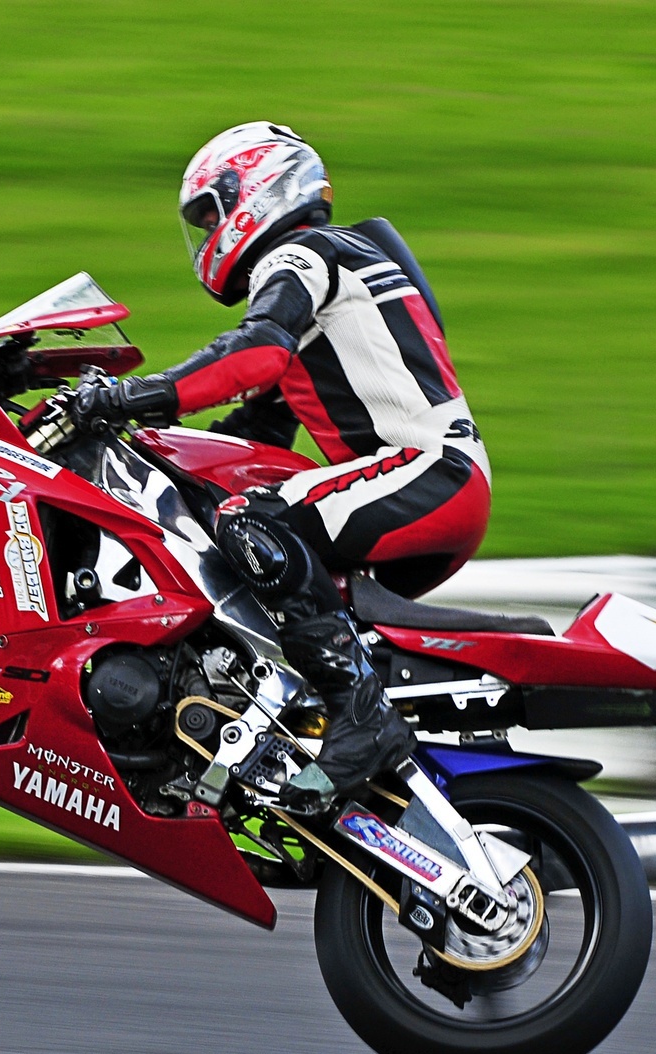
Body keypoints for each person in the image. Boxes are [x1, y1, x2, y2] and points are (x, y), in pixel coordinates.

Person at [69, 122, 491, 816]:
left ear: (258, 187)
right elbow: (255, 430)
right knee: (234, 519)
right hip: (426, 480)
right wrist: (149, 449)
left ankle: (362, 715)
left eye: (211, 214)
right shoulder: (332, 281)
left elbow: (255, 351)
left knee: (251, 520)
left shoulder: (304, 254)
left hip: (424, 471)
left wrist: (126, 397)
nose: (208, 235)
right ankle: (294, 724)